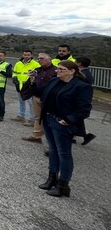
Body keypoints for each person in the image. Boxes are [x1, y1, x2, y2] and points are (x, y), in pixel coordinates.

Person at [37, 60, 92, 198]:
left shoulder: (81, 87)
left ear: (72, 71)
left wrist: (68, 119)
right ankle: (52, 178)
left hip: (62, 123)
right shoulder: (54, 81)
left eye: (61, 69)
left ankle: (63, 185)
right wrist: (33, 81)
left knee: (64, 154)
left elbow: (84, 109)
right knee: (53, 150)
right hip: (49, 119)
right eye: (58, 69)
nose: (58, 71)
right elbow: (41, 93)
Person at [21, 53, 57, 143]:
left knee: (50, 120)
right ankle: (36, 136)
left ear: (49, 59)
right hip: (37, 96)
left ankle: (52, 143)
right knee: (37, 117)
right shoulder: (37, 70)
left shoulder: (56, 71)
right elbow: (33, 83)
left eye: (41, 58)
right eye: (38, 58)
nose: (39, 60)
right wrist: (31, 80)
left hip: (49, 99)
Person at [11, 49, 40, 126]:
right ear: (22, 55)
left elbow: (38, 75)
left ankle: (32, 120)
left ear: (31, 55)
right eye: (25, 55)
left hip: (29, 86)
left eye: (28, 55)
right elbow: (15, 72)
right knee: (21, 102)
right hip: (20, 86)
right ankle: (21, 116)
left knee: (31, 104)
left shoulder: (36, 64)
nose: (26, 56)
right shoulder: (18, 63)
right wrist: (14, 78)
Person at [75, 56, 96, 145]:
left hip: (78, 99)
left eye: (76, 62)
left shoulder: (81, 75)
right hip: (82, 99)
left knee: (74, 118)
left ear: (79, 63)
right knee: (76, 119)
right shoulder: (88, 73)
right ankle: (84, 135)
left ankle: (85, 134)